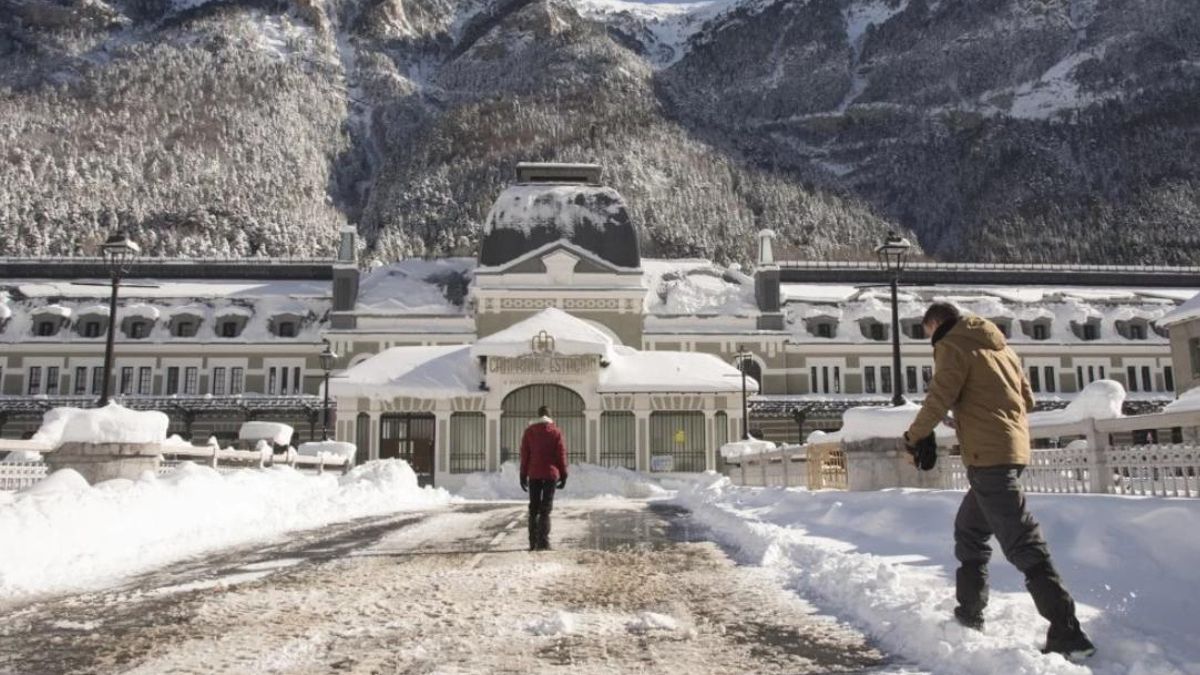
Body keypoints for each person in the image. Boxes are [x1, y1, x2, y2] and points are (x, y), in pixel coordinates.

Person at [903, 302, 1095, 659]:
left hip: (987, 458)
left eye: (926, 331)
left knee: (1022, 541)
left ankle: (1069, 633)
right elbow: (1027, 399)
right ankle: (969, 614)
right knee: (970, 531)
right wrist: (968, 415)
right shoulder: (1001, 345)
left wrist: (914, 436)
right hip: (1012, 450)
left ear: (934, 323)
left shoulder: (951, 344)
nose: (928, 338)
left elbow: (939, 396)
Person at [519, 405, 568, 551]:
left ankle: (532, 542)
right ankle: (543, 542)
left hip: (534, 474)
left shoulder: (529, 432)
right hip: (550, 474)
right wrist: (564, 474)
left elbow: (524, 455)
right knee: (545, 509)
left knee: (533, 508)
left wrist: (522, 475)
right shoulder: (556, 432)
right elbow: (561, 455)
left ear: (538, 415)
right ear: (549, 416)